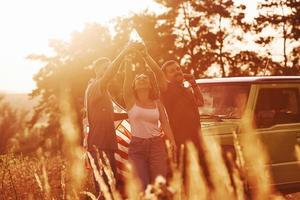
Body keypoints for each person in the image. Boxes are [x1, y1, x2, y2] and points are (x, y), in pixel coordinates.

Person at [83, 45, 131, 197]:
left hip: (108, 143)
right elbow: (110, 74)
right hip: (99, 144)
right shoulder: (96, 86)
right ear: (97, 70)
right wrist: (124, 51)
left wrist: (129, 114)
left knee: (111, 184)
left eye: (108, 68)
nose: (107, 70)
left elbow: (109, 117)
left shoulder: (104, 92)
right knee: (104, 186)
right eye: (104, 68)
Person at [122, 56, 176, 190]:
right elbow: (127, 78)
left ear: (150, 84)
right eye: (138, 78)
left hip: (157, 146)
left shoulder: (157, 103)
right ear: (133, 85)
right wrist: (128, 60)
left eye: (144, 78)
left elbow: (165, 123)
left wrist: (172, 142)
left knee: (159, 185)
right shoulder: (130, 100)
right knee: (143, 185)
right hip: (137, 148)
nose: (141, 79)